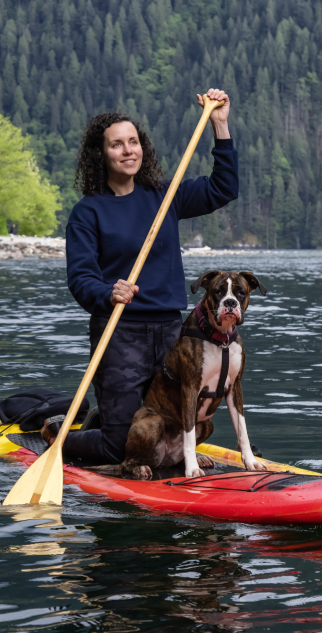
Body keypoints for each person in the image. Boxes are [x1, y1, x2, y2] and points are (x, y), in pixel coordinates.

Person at [54, 88, 237, 465]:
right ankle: (57, 437)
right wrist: (109, 291)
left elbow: (223, 188)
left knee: (173, 426)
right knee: (120, 448)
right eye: (117, 145)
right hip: (120, 333)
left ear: (143, 148)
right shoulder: (88, 213)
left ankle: (115, 423)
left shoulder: (164, 196)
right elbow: (81, 278)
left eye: (133, 142)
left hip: (174, 333)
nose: (127, 151)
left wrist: (219, 124)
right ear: (101, 155)